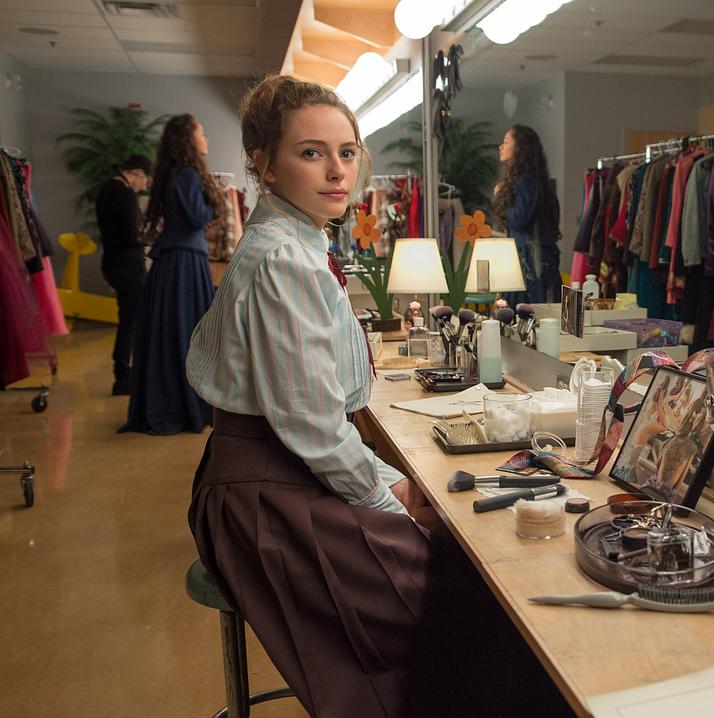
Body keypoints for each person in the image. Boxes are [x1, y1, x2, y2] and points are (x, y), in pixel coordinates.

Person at [186, 74, 572, 718]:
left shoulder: (294, 241)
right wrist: (388, 498)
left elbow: (307, 418)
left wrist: (385, 481)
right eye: (311, 153)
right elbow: (313, 429)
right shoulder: (286, 260)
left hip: (271, 473)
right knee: (464, 599)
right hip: (269, 495)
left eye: (347, 151)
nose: (337, 171)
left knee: (456, 571)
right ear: (265, 164)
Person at [121, 114, 225, 434]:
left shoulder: (175, 173)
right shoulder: (188, 174)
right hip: (184, 263)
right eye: (201, 133)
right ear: (188, 139)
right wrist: (214, 203)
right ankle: (184, 406)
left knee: (172, 333)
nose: (206, 139)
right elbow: (196, 218)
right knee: (187, 334)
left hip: (175, 260)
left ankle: (172, 403)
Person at [95, 153, 152, 396]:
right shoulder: (124, 193)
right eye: (145, 179)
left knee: (128, 320)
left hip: (113, 262)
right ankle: (123, 378)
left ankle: (123, 374)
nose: (144, 185)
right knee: (131, 322)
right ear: (136, 173)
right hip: (127, 266)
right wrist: (154, 237)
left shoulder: (107, 190)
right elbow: (133, 234)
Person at [493, 124, 561, 305]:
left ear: (519, 148)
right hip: (532, 263)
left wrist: (500, 197)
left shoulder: (526, 180)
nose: (501, 146)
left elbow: (520, 219)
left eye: (506, 142)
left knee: (523, 316)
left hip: (529, 266)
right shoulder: (533, 179)